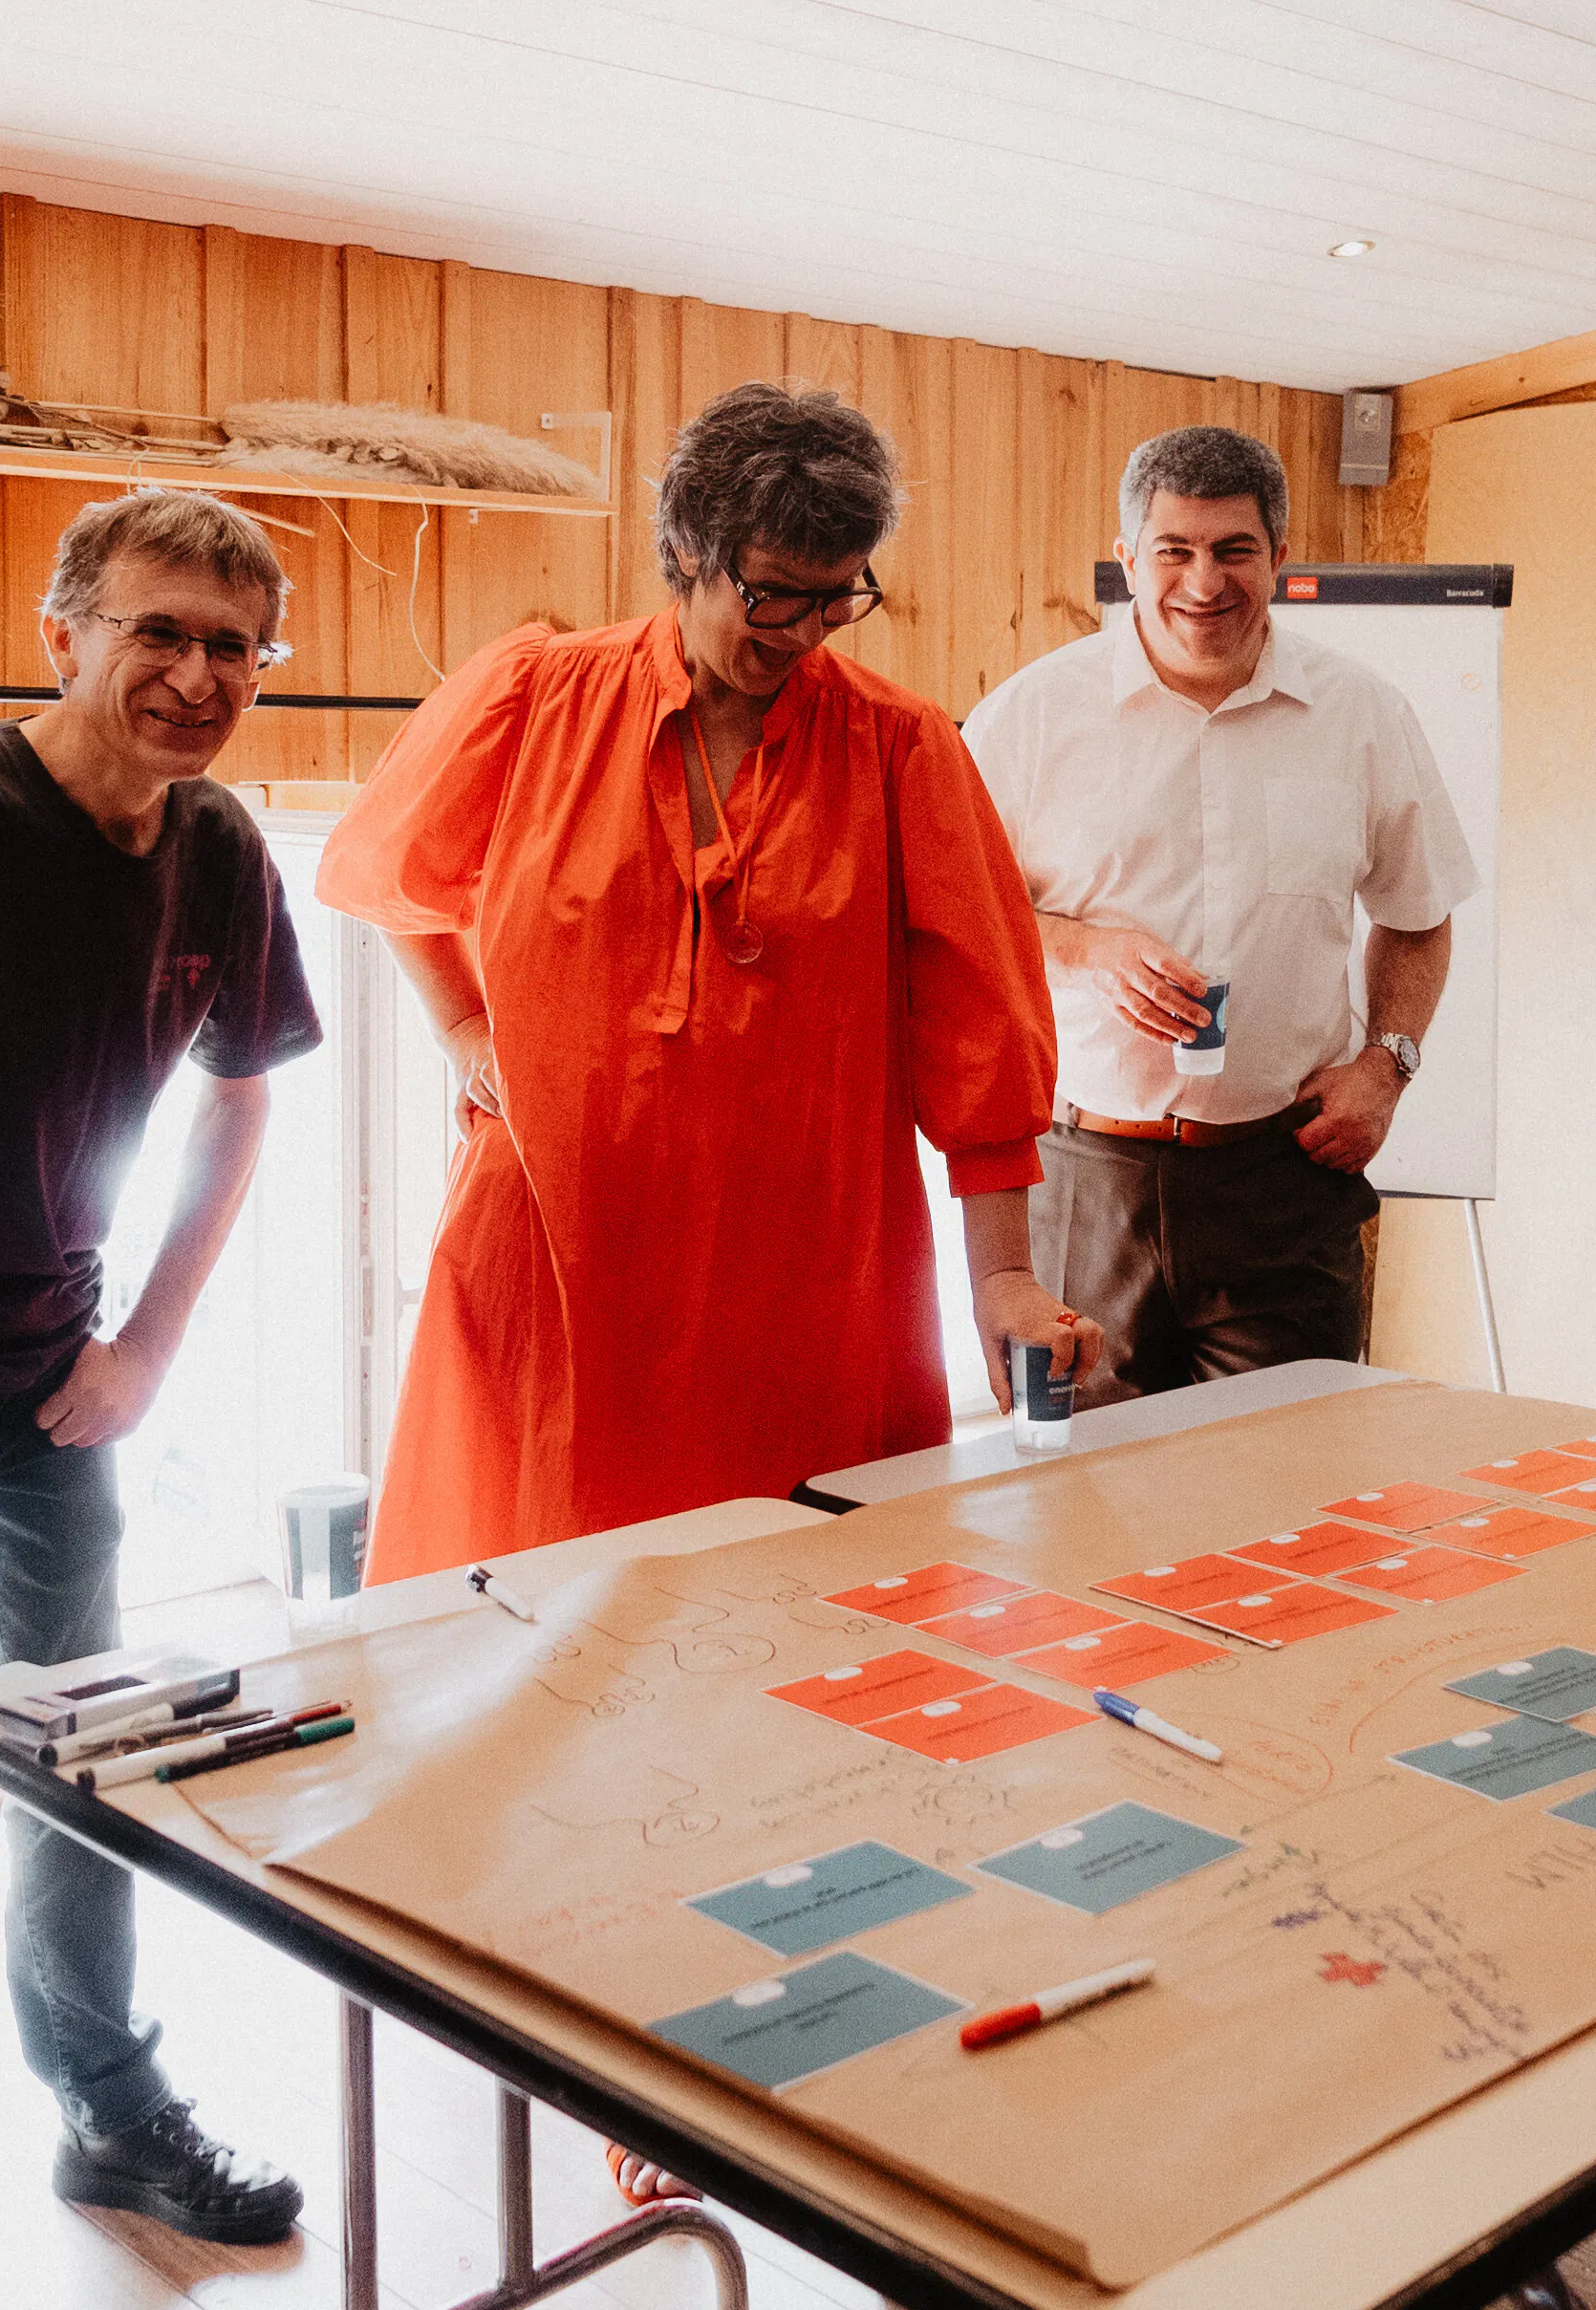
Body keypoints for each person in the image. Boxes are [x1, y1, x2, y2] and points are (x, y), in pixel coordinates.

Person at [0, 486, 324, 2308]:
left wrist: (152, 1343)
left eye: (232, 644)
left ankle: (103, 2101)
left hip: (58, 1380)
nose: (191, 673)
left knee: (95, 1764)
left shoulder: (224, 850)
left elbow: (243, 1094)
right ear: (63, 634)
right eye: (156, 630)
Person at [319, 379, 1072, 1583]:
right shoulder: (534, 695)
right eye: (771, 592)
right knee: (527, 1628)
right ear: (686, 550)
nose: (802, 632)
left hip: (803, 1280)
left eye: (838, 599)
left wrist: (1006, 1277)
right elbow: (386, 873)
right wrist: (462, 1020)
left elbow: (982, 1029)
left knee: (795, 1618)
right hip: (555, 1260)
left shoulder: (902, 746)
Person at [963, 424, 1473, 1401]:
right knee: (1088, 1500)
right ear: (1126, 561)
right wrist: (1083, 951)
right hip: (1081, 1175)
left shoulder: (1364, 715)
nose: (1203, 583)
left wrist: (1388, 1063)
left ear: (1278, 556)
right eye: (1174, 551)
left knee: (1294, 1490)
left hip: (1282, 1177)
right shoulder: (1025, 721)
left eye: (1233, 551)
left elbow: (1417, 912)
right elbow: (960, 930)